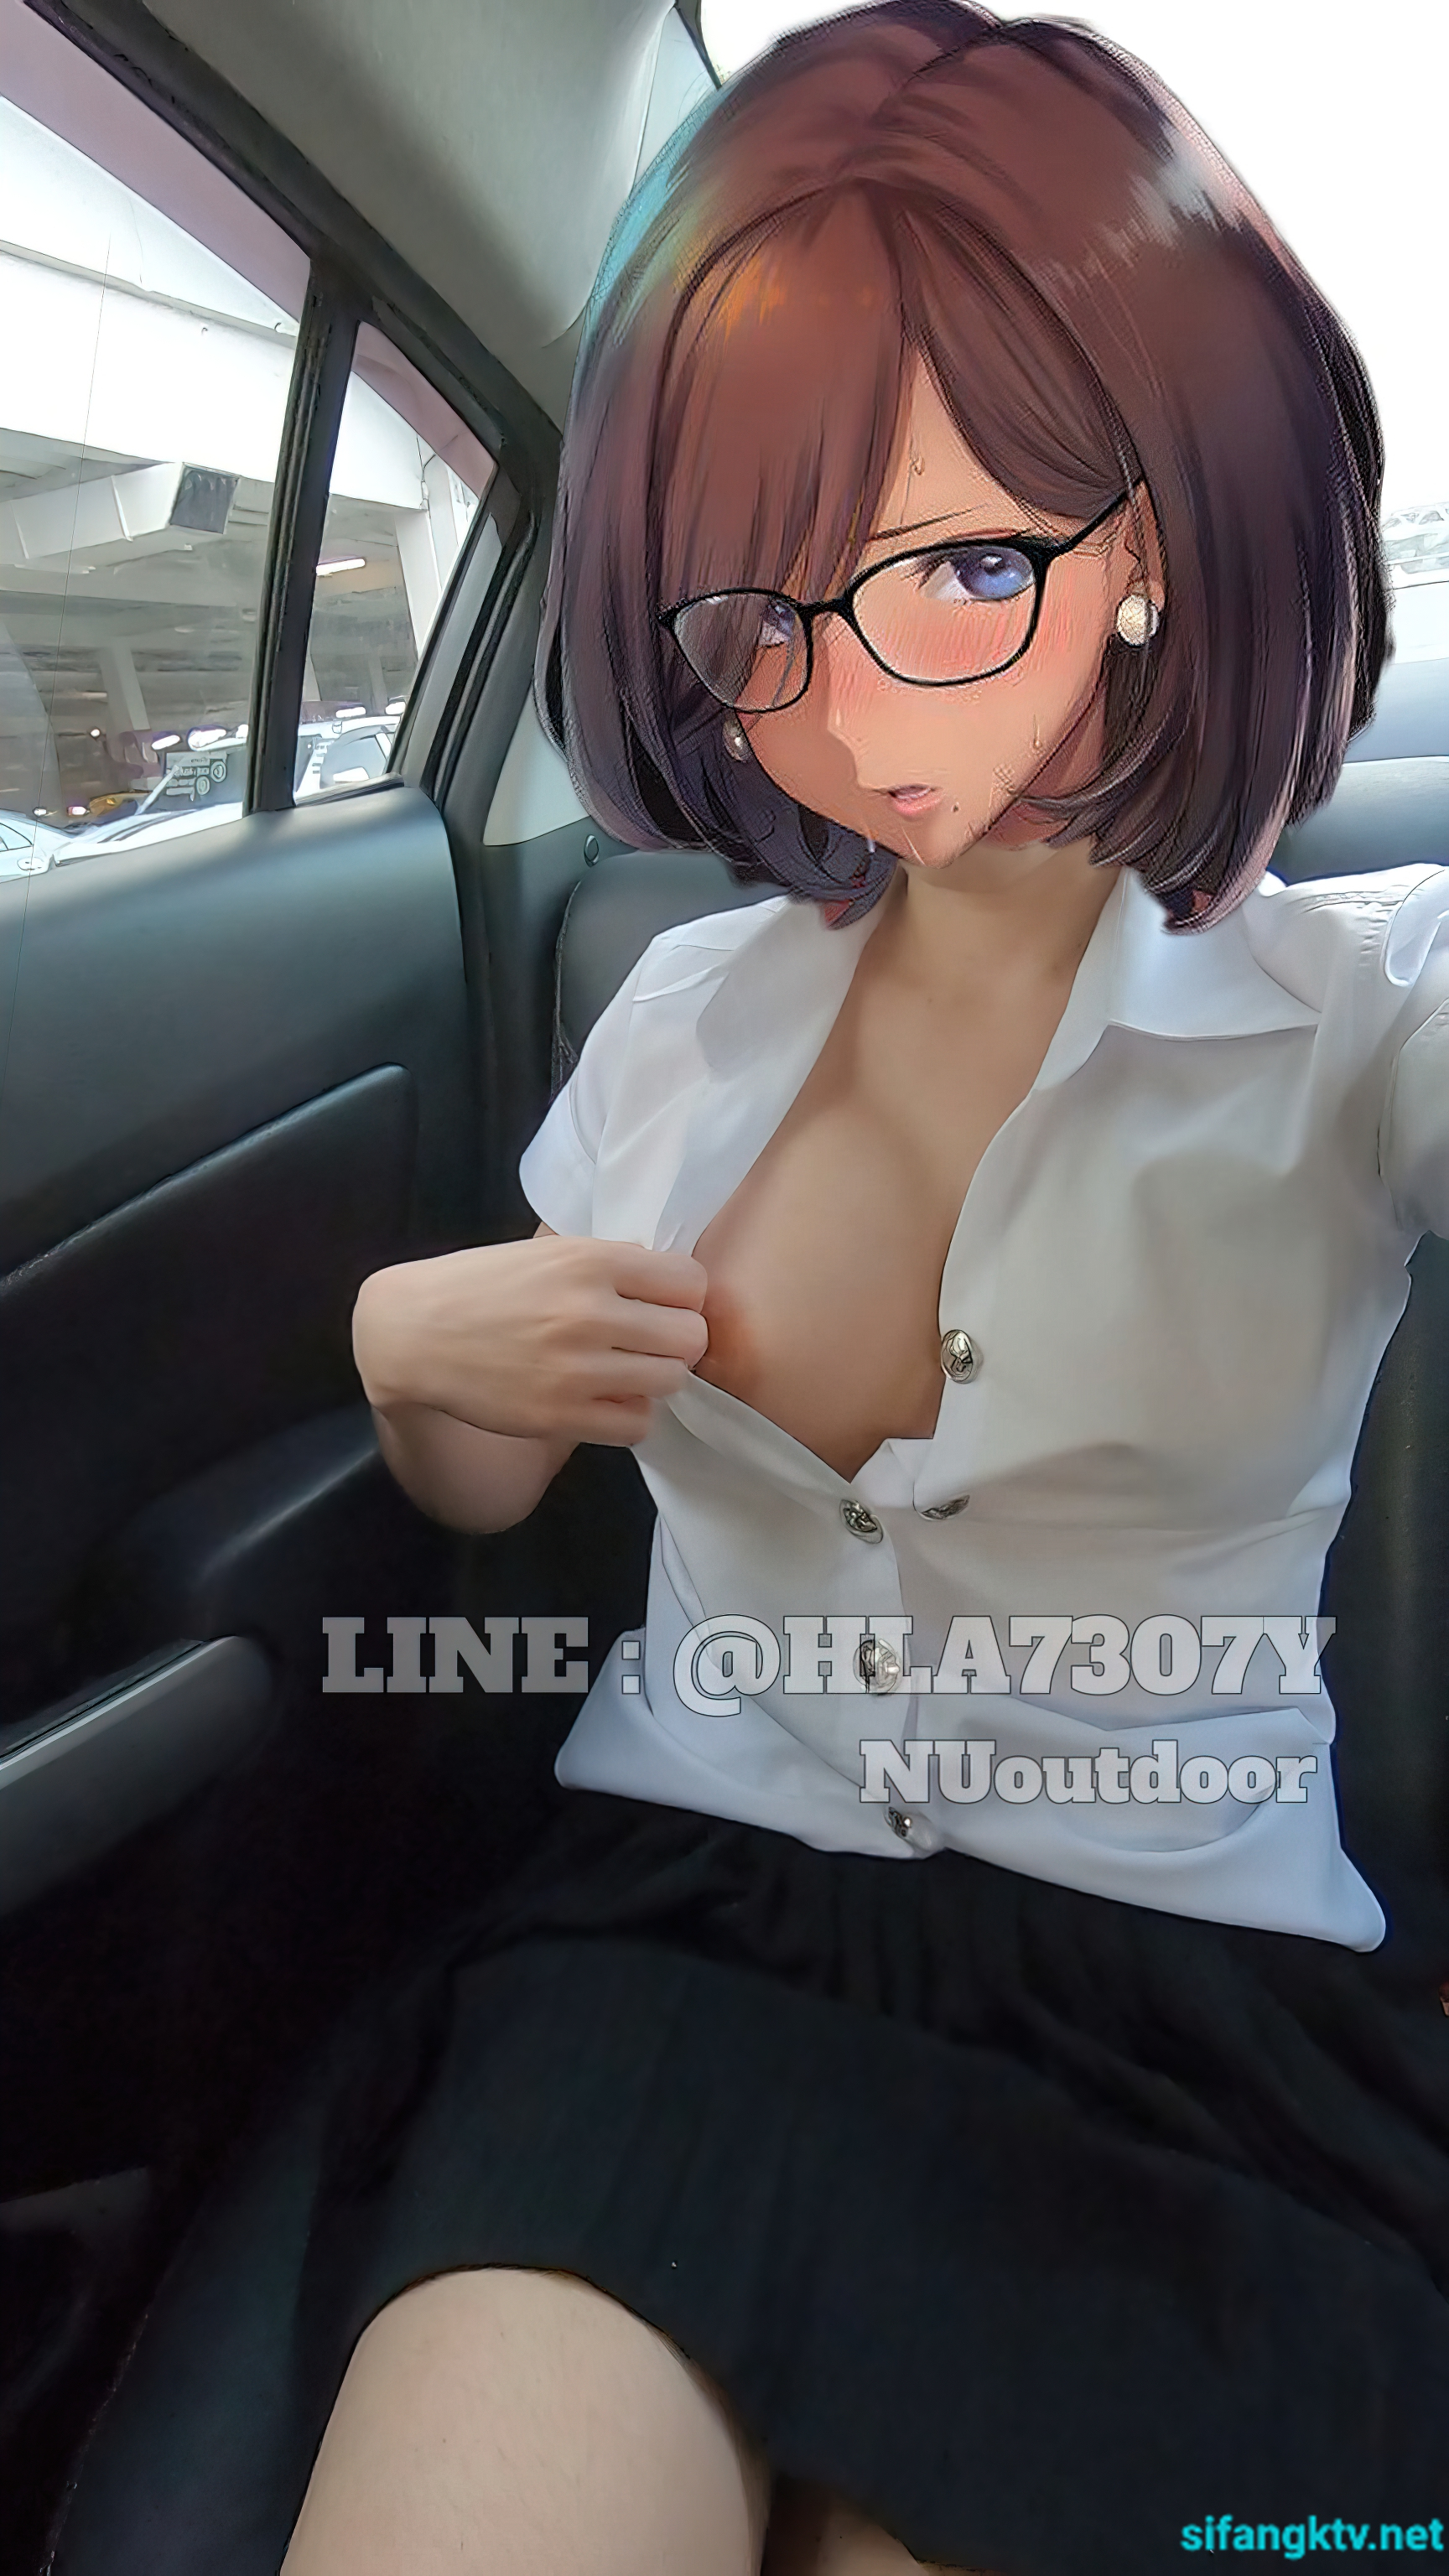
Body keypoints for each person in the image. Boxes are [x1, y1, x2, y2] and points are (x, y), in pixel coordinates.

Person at [283, 7, 1449, 2570]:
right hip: (680, 1931)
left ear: (1156, 537)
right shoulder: (682, 1019)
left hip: (1177, 2016)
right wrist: (410, 1357)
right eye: (764, 617)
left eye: (960, 569)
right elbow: (486, 1480)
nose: (851, 703)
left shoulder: (1363, 1016)